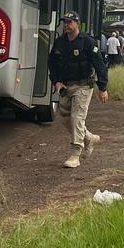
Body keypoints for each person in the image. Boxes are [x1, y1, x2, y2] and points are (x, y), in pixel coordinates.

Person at [48, 11, 109, 168]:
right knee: (64, 117)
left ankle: (75, 154)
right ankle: (89, 138)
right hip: (66, 86)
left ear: (77, 23)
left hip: (83, 85)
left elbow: (100, 64)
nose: (66, 25)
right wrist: (56, 81)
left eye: (69, 22)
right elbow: (52, 63)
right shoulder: (60, 42)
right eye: (65, 22)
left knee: (77, 118)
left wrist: (102, 87)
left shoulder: (87, 42)